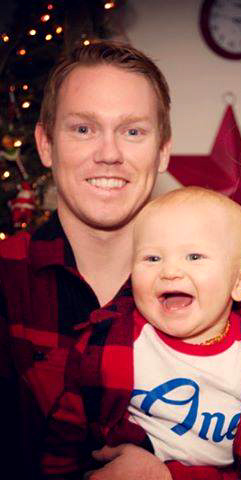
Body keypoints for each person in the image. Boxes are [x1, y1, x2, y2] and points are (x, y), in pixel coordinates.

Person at [41, 186, 241, 480]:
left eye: (194, 256)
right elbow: (66, 436)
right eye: (152, 259)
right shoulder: (106, 341)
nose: (170, 271)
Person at [0, 40, 173, 479]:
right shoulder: (5, 280)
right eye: (83, 129)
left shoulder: (209, 292)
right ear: (45, 145)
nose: (109, 153)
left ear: (163, 151)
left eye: (133, 131)